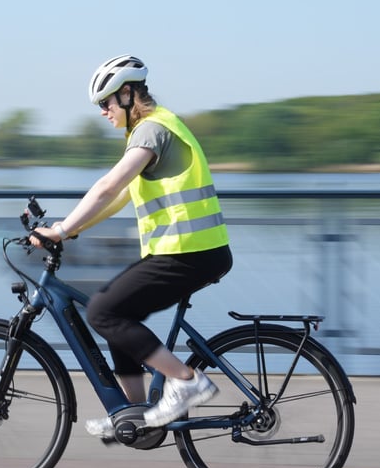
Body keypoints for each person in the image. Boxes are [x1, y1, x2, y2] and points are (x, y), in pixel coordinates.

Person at [31, 54, 232, 438]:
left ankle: (187, 380)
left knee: (104, 313)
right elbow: (119, 197)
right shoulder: (148, 131)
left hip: (190, 253)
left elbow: (107, 185)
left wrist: (60, 230)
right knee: (113, 313)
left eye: (105, 103)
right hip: (186, 252)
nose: (103, 112)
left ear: (127, 94)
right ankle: (134, 413)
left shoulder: (152, 130)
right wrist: (69, 229)